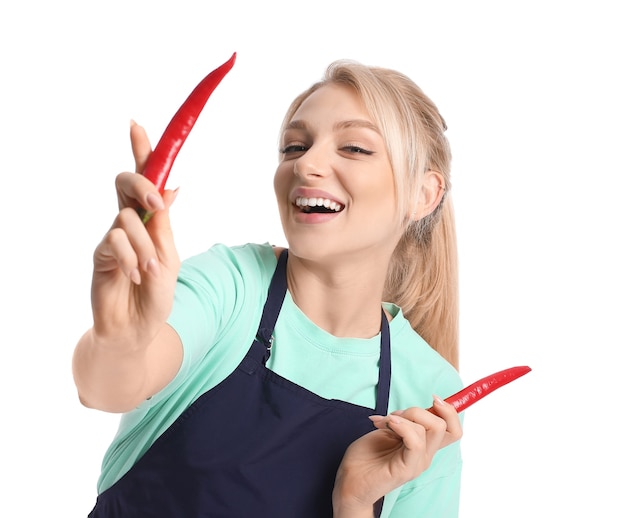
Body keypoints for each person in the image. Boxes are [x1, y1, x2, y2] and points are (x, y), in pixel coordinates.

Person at [72, 58, 464, 518]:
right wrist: (121, 338)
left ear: (424, 195)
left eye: (355, 148)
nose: (307, 165)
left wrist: (355, 503)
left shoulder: (429, 395)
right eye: (295, 147)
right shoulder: (232, 286)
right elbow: (106, 389)